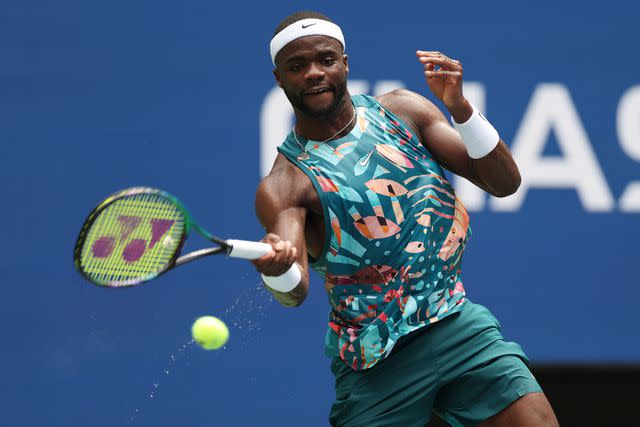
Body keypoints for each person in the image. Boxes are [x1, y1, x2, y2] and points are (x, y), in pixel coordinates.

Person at [252, 10, 559, 427]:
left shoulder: (402, 111)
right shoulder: (286, 184)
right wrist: (278, 270)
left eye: (325, 60)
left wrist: (461, 109)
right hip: (376, 360)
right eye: (296, 66)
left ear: (345, 63)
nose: (312, 73)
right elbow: (295, 289)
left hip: (454, 320)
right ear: (279, 78)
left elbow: (503, 182)